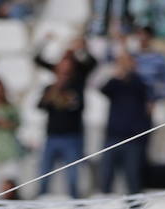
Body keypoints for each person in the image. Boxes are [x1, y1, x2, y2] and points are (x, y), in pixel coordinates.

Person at [98, 51, 152, 195]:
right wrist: (117, 74)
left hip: (133, 139)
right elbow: (103, 89)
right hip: (113, 136)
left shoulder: (139, 83)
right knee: (106, 178)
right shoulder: (116, 83)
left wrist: (129, 73)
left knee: (133, 180)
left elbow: (143, 91)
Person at [36, 55, 87, 197]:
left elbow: (79, 106)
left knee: (72, 179)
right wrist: (55, 89)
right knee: (43, 176)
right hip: (52, 137)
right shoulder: (50, 88)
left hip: (71, 137)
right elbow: (40, 106)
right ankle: (39, 205)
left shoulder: (77, 86)